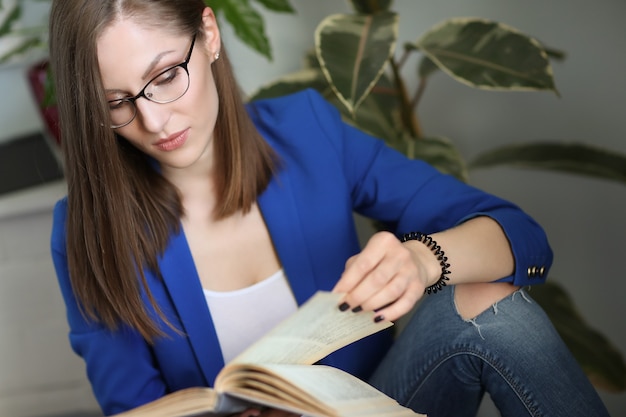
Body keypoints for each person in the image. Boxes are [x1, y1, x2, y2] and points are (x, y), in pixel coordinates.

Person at [48, 1, 610, 416]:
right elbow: (131, 407)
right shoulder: (84, 230)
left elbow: (521, 234)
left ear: (210, 32)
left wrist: (423, 261)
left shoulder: (307, 132)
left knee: (492, 305)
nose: (154, 121)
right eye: (116, 102)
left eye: (166, 75)